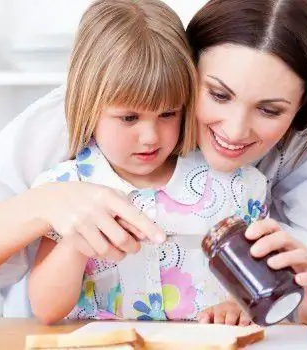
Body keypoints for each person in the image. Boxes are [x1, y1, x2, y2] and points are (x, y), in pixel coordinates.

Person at [0, 0, 307, 325]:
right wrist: (50, 205)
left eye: (271, 110)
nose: (236, 129)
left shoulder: (284, 163)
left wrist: (298, 284)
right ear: (187, 70)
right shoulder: (77, 120)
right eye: (218, 94)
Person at [27, 0, 267, 325]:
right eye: (129, 117)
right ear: (88, 104)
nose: (151, 137)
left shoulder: (236, 187)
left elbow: (260, 293)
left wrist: (239, 307)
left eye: (168, 114)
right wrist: (76, 244)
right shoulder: (67, 190)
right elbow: (46, 309)